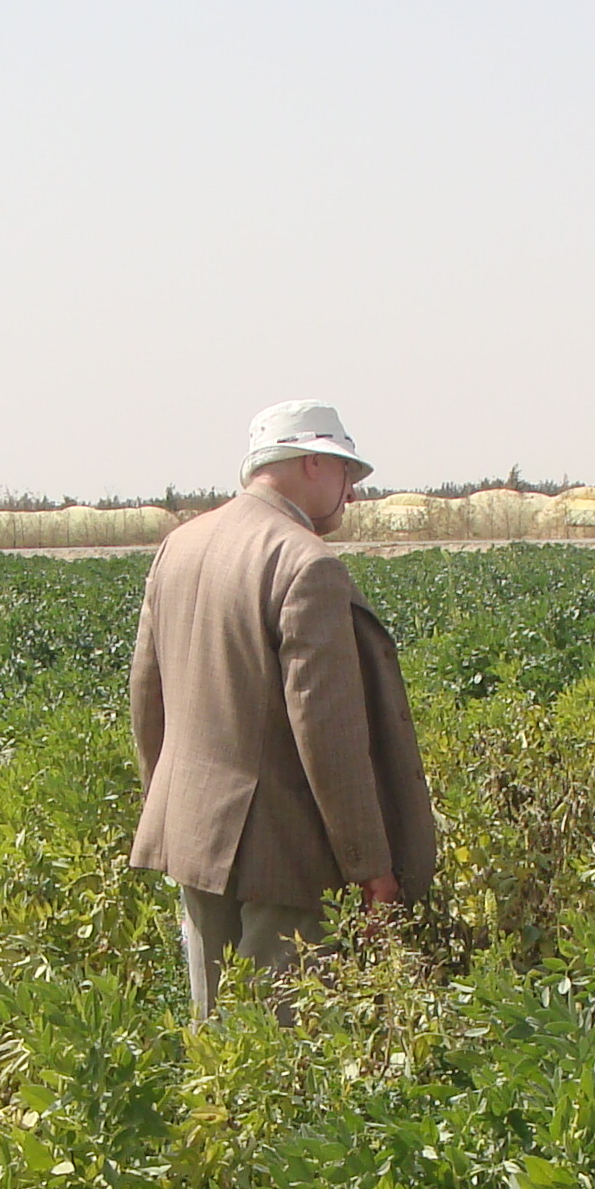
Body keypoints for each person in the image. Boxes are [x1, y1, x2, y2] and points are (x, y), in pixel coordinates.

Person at [129, 400, 437, 1016]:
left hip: (194, 836)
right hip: (286, 852)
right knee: (284, 1049)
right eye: (348, 476)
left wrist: (168, 806)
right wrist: (370, 867)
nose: (351, 496)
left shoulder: (180, 546)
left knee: (216, 1040)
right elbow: (328, 736)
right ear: (313, 463)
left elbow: (146, 693)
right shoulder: (305, 563)